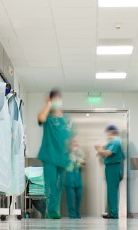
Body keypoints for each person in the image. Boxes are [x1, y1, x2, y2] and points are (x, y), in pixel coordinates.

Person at [37, 89, 71, 219]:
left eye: (59, 99)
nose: (58, 101)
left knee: (59, 185)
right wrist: (48, 106)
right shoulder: (48, 117)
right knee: (51, 184)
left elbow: (69, 138)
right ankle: (51, 211)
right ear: (50, 100)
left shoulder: (66, 120)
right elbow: (40, 118)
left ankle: (54, 209)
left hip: (63, 158)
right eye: (54, 99)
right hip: (50, 156)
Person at [95, 125, 124, 219]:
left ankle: (114, 213)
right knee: (111, 190)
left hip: (113, 167)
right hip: (111, 167)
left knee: (112, 191)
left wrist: (99, 149)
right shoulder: (113, 142)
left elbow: (108, 153)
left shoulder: (116, 141)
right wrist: (100, 151)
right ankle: (112, 212)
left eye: (108, 132)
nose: (107, 134)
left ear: (112, 132)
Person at [65, 139, 85, 219]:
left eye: (77, 145)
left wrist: (81, 161)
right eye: (74, 145)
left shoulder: (80, 154)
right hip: (69, 179)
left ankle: (77, 213)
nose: (76, 147)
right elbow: (67, 166)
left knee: (79, 196)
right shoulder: (67, 155)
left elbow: (83, 163)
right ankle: (72, 214)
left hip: (78, 180)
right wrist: (75, 160)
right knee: (70, 198)